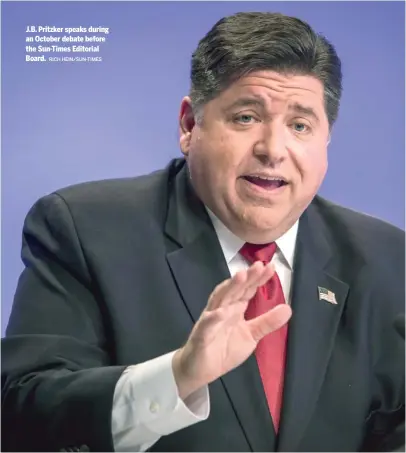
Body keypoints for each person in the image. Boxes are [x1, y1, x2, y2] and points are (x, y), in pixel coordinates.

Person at [2, 11, 404, 453]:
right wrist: (177, 377)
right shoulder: (83, 230)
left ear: (326, 140)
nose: (273, 149)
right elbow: (24, 413)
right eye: (246, 117)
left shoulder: (384, 258)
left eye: (300, 126)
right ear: (189, 125)